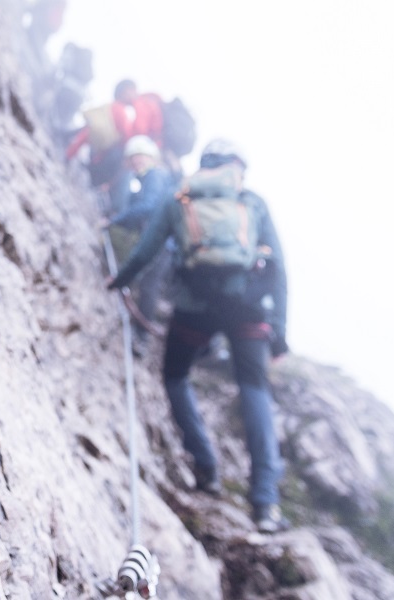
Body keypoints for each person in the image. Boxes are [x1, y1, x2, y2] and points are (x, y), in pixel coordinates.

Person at [106, 139, 290, 533]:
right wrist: (280, 333)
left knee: (175, 377)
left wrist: (117, 282)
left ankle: (206, 465)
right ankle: (265, 505)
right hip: (248, 312)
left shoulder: (179, 201)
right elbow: (279, 267)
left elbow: (145, 252)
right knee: (254, 392)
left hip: (194, 308)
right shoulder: (251, 201)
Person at [100, 135, 176, 344]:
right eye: (133, 159)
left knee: (149, 285)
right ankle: (142, 333)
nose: (136, 162)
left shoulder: (155, 176)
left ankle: (142, 337)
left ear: (151, 158)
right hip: (165, 242)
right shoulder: (154, 177)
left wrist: (115, 221)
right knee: (149, 284)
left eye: (140, 157)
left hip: (163, 243)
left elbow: (148, 206)